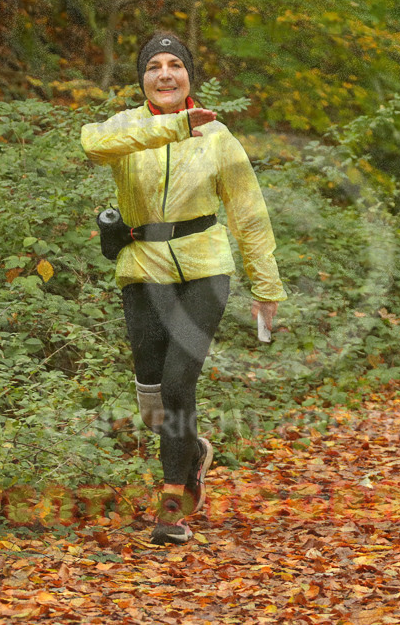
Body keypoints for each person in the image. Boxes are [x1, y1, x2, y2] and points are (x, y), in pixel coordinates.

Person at [80, 31, 286, 545]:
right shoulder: (124, 127)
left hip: (204, 268)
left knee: (177, 384)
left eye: (175, 64)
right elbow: (92, 144)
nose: (165, 74)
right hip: (142, 267)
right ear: (142, 78)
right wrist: (173, 127)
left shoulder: (217, 136)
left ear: (189, 75)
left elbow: (248, 214)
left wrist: (266, 287)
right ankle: (192, 452)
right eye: (154, 66)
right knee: (153, 399)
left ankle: (173, 505)